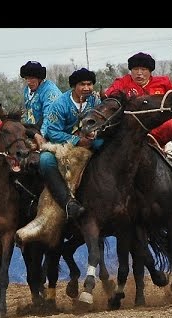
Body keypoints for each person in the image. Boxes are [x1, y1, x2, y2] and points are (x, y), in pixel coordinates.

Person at [104, 52, 172, 182]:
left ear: (150, 71)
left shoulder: (163, 82)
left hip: (157, 129)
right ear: (130, 71)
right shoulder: (122, 82)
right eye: (135, 69)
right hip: (131, 131)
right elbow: (109, 94)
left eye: (143, 69)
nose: (139, 73)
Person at [39, 67, 103, 220]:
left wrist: (95, 134)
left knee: (106, 146)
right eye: (82, 84)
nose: (87, 88)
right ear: (74, 86)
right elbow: (52, 132)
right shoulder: (60, 104)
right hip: (62, 144)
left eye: (89, 84)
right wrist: (77, 140)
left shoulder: (95, 100)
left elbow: (102, 122)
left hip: (90, 140)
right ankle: (67, 203)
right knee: (45, 161)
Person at [20, 60, 63, 149]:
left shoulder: (50, 92)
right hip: (34, 129)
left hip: (52, 130)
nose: (28, 82)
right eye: (27, 78)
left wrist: (41, 136)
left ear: (40, 79)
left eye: (32, 78)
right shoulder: (26, 91)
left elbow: (49, 117)